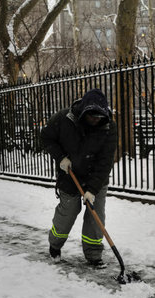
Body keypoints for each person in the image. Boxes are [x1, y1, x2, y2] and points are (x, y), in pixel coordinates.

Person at [41, 89, 118, 267]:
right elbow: (46, 137)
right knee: (68, 213)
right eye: (92, 116)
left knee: (95, 215)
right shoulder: (64, 118)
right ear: (83, 111)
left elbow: (105, 161)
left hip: (96, 177)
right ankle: (55, 245)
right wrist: (61, 158)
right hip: (70, 175)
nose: (96, 119)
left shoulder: (109, 127)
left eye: (99, 116)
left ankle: (93, 254)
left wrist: (92, 190)